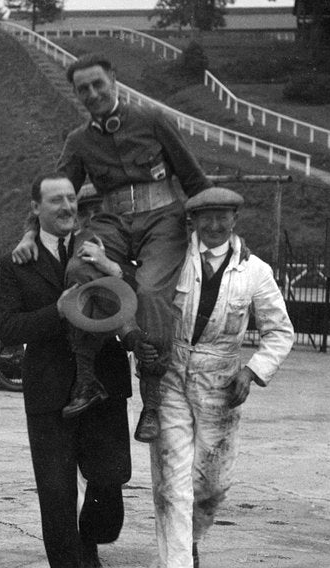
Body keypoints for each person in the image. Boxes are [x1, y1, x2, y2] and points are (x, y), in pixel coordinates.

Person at [13, 53, 212, 442]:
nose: (92, 93)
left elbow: (193, 178)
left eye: (97, 84)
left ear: (114, 81)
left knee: (153, 290)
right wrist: (28, 233)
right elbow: (57, 190)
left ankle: (151, 398)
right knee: (80, 270)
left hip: (163, 220)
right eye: (82, 89)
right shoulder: (79, 141)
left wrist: (217, 232)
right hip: (113, 223)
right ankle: (88, 378)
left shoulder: (153, 120)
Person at [153, 187, 293, 568]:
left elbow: (280, 331)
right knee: (172, 476)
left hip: (221, 381)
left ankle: (190, 539)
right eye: (205, 217)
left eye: (223, 217)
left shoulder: (255, 270)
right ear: (192, 221)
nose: (214, 225)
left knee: (212, 483)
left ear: (235, 219)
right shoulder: (173, 257)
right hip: (171, 371)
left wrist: (252, 371)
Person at [0, 172, 132, 568]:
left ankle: (91, 539)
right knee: (55, 490)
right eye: (56, 200)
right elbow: (11, 328)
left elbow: (135, 287)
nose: (67, 207)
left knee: (110, 478)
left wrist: (113, 269)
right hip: (50, 390)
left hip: (105, 384)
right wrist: (56, 312)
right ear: (35, 207)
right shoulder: (17, 260)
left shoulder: (99, 243)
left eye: (72, 199)